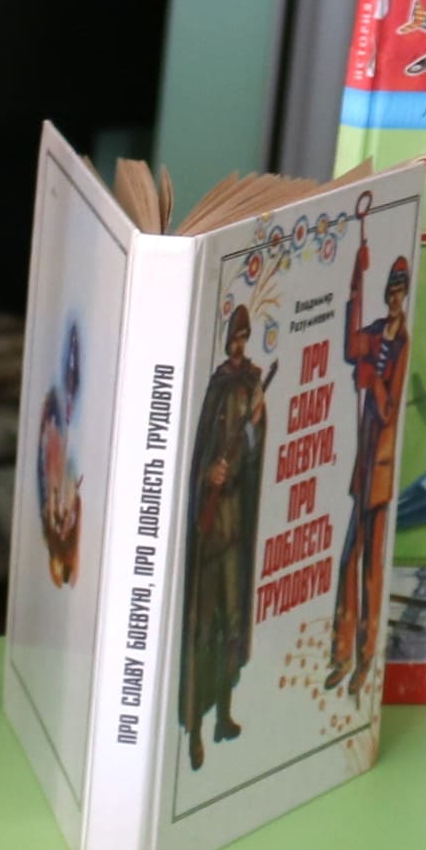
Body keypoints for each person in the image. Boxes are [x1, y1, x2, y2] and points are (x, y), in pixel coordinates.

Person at [180, 305, 271, 765]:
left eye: (244, 336)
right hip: (209, 527)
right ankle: (195, 730)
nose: (239, 343)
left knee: (231, 624)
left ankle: (223, 717)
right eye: (234, 336)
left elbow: (253, 450)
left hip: (237, 522)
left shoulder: (253, 383)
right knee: (202, 628)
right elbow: (197, 453)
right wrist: (207, 477)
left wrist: (254, 428)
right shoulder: (216, 388)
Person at [332, 242, 410, 695]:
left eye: (400, 289)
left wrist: (372, 381)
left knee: (371, 571)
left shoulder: (402, 345)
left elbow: (389, 407)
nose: (394, 296)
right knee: (349, 560)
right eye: (390, 289)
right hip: (363, 468)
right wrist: (355, 283)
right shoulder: (379, 332)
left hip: (380, 472)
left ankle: (365, 661)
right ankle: (341, 654)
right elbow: (351, 347)